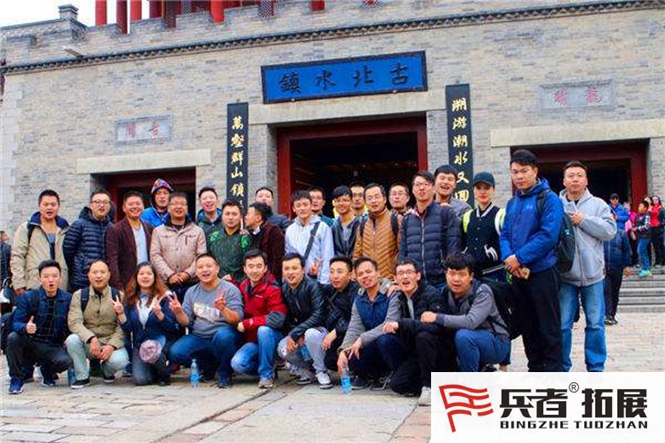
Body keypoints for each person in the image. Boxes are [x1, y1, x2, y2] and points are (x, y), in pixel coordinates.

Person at [500, 149, 564, 372]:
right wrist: (509, 258)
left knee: (549, 327)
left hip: (543, 272)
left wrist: (519, 257)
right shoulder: (513, 202)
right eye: (514, 172)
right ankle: (535, 370)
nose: (519, 176)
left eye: (524, 171)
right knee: (528, 325)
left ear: (535, 171)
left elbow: (548, 236)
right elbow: (505, 234)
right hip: (518, 274)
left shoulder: (549, 199)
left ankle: (554, 374)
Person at [558, 161, 616, 372]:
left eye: (579, 175)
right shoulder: (556, 205)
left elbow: (610, 231)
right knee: (563, 325)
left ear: (586, 180)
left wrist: (583, 220)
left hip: (593, 276)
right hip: (566, 276)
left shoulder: (598, 205)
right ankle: (562, 366)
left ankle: (595, 366)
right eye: (571, 176)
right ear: (564, 181)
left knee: (595, 324)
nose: (575, 179)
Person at [382, 258, 454, 406]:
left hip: (440, 351)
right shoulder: (400, 298)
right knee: (397, 384)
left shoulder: (431, 294)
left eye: (409, 272)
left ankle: (428, 386)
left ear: (418, 275)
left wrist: (402, 324)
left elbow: (438, 327)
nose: (405, 277)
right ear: (395, 279)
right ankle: (437, 386)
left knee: (424, 336)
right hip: (417, 354)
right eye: (400, 273)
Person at [168, 253, 244, 388]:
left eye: (209, 266)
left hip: (223, 336)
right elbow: (186, 322)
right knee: (176, 352)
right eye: (200, 267)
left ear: (217, 269)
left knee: (224, 337)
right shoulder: (191, 292)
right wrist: (179, 312)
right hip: (200, 337)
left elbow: (237, 320)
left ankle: (225, 373)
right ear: (196, 272)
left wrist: (223, 309)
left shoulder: (230, 289)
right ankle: (209, 366)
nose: (205, 270)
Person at [426, 252, 510, 373]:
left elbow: (471, 322)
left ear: (471, 276)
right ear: (446, 274)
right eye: (452, 273)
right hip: (469, 339)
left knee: (463, 336)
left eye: (462, 274)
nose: (456, 279)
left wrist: (436, 317)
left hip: (496, 343)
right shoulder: (445, 291)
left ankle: (469, 381)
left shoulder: (482, 292)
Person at [6, 260, 72, 394]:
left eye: (54, 276)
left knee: (65, 361)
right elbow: (16, 323)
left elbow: (72, 324)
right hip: (31, 343)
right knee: (13, 338)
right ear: (39, 279)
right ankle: (16, 379)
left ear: (60, 278)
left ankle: (46, 370)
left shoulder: (67, 299)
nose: (51, 280)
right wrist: (25, 327)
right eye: (46, 276)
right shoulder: (29, 297)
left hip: (52, 345)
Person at [336, 257, 402, 391]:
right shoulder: (359, 300)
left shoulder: (392, 293)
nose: (365, 276)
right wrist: (343, 351)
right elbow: (354, 327)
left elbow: (389, 323)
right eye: (360, 274)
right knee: (350, 355)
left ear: (378, 273)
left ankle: (391, 372)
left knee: (384, 341)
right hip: (371, 341)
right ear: (356, 278)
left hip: (393, 340)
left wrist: (362, 339)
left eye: (368, 272)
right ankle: (370, 375)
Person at [65, 260, 129, 388]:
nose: (98, 276)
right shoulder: (79, 295)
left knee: (120, 361)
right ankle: (82, 376)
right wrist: (91, 338)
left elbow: (122, 327)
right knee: (72, 340)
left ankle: (107, 370)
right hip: (89, 344)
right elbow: (74, 322)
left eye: (102, 272)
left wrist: (111, 345)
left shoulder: (119, 296)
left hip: (109, 342)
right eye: (94, 272)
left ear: (109, 275)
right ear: (89, 275)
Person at [230, 250, 287, 389]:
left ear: (265, 268)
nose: (255, 270)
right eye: (251, 266)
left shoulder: (273, 288)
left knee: (264, 330)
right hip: (253, 340)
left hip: (272, 338)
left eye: (259, 266)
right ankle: (266, 366)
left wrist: (249, 323)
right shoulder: (244, 286)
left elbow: (278, 318)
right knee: (237, 364)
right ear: (244, 268)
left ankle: (266, 375)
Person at [115, 262, 178, 386]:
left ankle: (164, 375)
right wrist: (121, 313)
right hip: (140, 345)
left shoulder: (165, 296)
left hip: (161, 342)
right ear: (136, 277)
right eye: (141, 274)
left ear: (155, 277)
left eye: (149, 273)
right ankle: (154, 370)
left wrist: (160, 314)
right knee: (140, 380)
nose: (145, 276)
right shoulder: (130, 297)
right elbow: (128, 328)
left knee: (157, 356)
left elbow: (173, 328)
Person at [399, 171, 461, 290]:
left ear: (433, 188)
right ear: (413, 190)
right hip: (416, 283)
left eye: (425, 184)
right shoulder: (407, 219)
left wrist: (450, 273)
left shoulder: (445, 213)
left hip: (441, 282)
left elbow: (453, 248)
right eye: (417, 185)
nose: (421, 188)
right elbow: (403, 252)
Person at [276, 253, 327, 387]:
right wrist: (296, 333)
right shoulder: (285, 289)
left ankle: (321, 371)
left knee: (311, 334)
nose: (290, 272)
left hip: (320, 330)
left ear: (303, 270)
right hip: (300, 332)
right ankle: (308, 370)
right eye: (286, 269)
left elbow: (319, 315)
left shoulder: (313, 286)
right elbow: (288, 317)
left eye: (294, 268)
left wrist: (297, 333)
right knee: (282, 348)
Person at [11, 189, 69, 294]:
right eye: (45, 204)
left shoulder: (66, 229)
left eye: (53, 204)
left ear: (58, 207)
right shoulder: (27, 228)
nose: (49, 207)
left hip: (60, 286)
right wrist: (19, 283)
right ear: (39, 206)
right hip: (34, 284)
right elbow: (17, 256)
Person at [150, 192, 207, 301]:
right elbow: (155, 256)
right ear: (168, 208)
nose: (179, 206)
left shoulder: (198, 231)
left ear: (187, 208)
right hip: (165, 285)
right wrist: (169, 275)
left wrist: (188, 274)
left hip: (192, 284)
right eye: (175, 203)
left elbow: (201, 256)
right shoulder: (158, 231)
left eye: (182, 204)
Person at [63, 189, 113, 292]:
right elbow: (67, 251)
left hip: (105, 281)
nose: (101, 205)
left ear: (109, 206)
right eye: (97, 202)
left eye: (105, 202)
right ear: (91, 205)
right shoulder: (79, 225)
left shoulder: (112, 227)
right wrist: (79, 268)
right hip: (82, 281)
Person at [106, 191, 154, 291]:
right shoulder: (115, 229)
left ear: (143, 207)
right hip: (127, 283)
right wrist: (118, 287)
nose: (135, 206)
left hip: (147, 280)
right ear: (124, 208)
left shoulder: (149, 227)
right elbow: (112, 260)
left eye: (138, 203)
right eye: (131, 204)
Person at [462, 172, 506, 281]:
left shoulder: (501, 214)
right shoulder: (467, 216)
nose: (482, 192)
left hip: (495, 274)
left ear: (493, 189)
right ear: (473, 190)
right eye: (478, 188)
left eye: (487, 188)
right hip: (472, 276)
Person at [352, 183, 402, 280]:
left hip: (389, 279)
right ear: (365, 202)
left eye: (377, 197)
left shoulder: (396, 219)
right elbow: (357, 253)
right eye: (369, 198)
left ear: (384, 199)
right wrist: (355, 273)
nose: (373, 201)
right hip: (367, 279)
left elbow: (402, 251)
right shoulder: (363, 223)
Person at [318, 256, 358, 373]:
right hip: (338, 334)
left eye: (340, 272)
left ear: (350, 274)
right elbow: (313, 286)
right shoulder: (330, 290)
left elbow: (358, 321)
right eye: (332, 272)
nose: (335, 276)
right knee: (330, 361)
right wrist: (311, 275)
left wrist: (336, 331)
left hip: (355, 334)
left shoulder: (356, 292)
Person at [284, 191, 334, 284]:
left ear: (311, 205)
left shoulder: (323, 227)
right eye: (298, 205)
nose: (302, 208)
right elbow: (289, 256)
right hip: (297, 281)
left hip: (317, 280)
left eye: (305, 204)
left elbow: (327, 255)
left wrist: (324, 282)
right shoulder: (290, 230)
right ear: (293, 208)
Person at [207, 199, 252, 283]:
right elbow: (207, 261)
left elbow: (250, 265)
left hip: (239, 285)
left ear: (240, 217)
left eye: (234, 214)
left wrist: (236, 280)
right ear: (222, 216)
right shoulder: (213, 237)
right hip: (215, 284)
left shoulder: (245, 238)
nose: (230, 217)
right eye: (227, 214)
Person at [603, 212, 632, 326]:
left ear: (615, 219)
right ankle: (608, 315)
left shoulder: (621, 233)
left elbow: (626, 250)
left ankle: (612, 314)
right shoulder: (601, 233)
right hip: (604, 268)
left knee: (615, 292)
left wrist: (627, 265)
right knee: (606, 291)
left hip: (617, 267)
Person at [245, 202, 285, 282]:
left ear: (258, 218)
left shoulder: (273, 231)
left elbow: (278, 259)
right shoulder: (250, 233)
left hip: (270, 281)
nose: (245, 217)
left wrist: (273, 281)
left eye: (248, 214)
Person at [330, 186, 361, 258]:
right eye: (338, 200)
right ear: (334, 203)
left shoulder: (361, 224)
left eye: (345, 200)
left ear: (351, 202)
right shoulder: (333, 227)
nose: (341, 203)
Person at [633, 199, 652, 279]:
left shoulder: (647, 215)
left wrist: (637, 229)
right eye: (639, 206)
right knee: (642, 251)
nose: (639, 208)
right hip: (640, 236)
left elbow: (647, 226)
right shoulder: (637, 216)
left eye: (641, 206)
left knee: (640, 250)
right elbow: (635, 224)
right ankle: (646, 269)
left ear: (645, 208)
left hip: (646, 236)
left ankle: (645, 268)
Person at [648, 196, 664, 267]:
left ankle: (660, 261)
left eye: (656, 199)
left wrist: (660, 224)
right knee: (655, 246)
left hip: (658, 228)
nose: (654, 201)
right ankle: (658, 261)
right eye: (653, 200)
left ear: (658, 200)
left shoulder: (660, 208)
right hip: (652, 228)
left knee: (660, 245)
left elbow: (663, 219)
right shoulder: (651, 207)